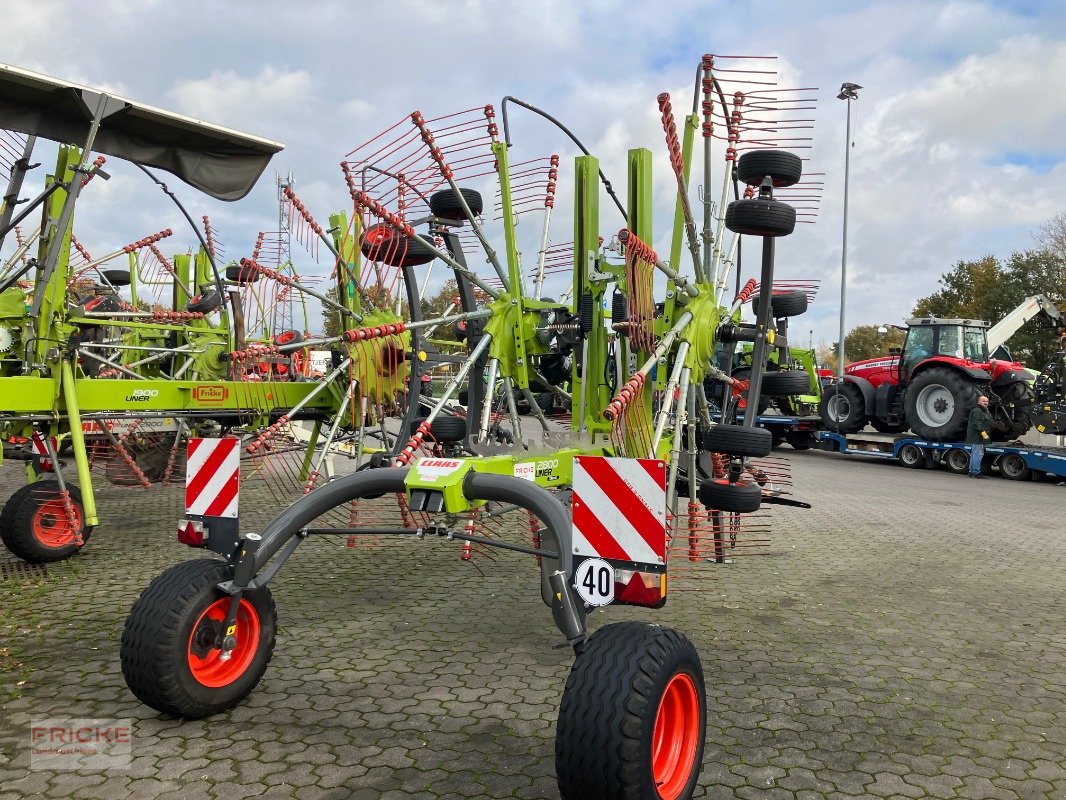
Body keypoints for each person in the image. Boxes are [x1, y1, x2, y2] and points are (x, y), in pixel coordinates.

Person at [965, 395, 992, 478]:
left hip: (978, 436)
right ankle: (976, 472)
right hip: (977, 436)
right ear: (979, 402)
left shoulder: (984, 410)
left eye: (987, 401)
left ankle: (971, 471)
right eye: (984, 401)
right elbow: (976, 424)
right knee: (978, 454)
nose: (986, 403)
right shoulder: (977, 411)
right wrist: (984, 434)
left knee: (974, 453)